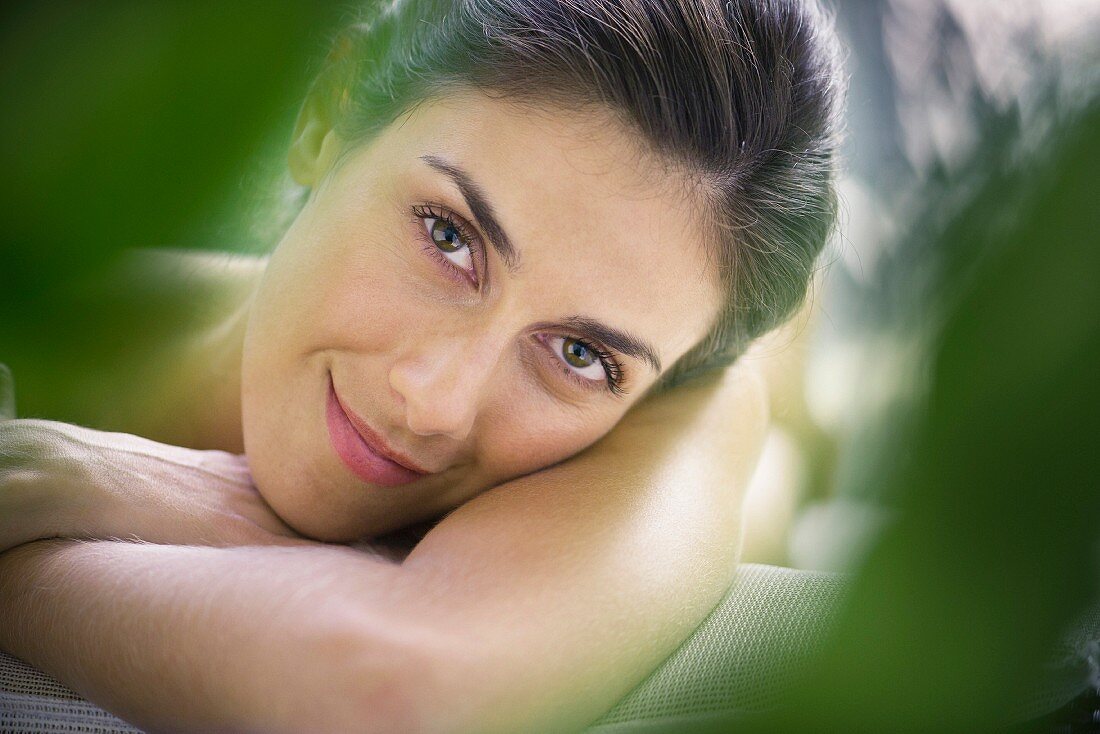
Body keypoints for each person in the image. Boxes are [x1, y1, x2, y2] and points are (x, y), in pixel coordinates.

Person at [0, 0, 842, 730]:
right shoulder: (44, 318)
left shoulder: (694, 391)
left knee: (776, 460)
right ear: (325, 118)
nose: (433, 402)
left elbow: (386, 696)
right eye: (449, 237)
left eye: (581, 354)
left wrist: (56, 484)